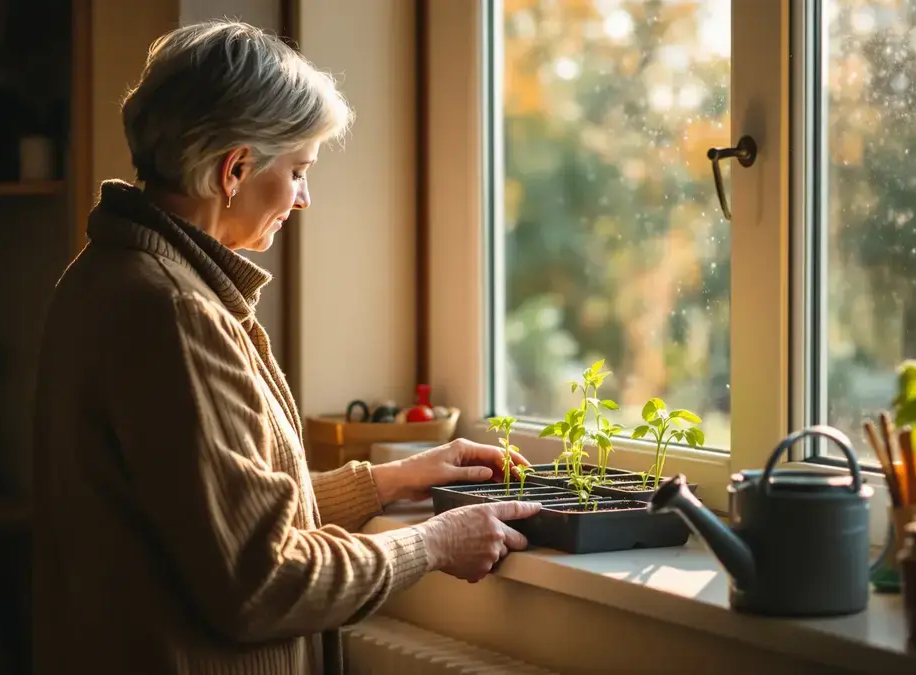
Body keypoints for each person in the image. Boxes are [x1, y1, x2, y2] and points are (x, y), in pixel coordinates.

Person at [31, 20, 541, 675]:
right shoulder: (174, 313)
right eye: (298, 170)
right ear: (235, 169)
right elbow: (260, 581)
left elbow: (206, 515)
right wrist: (435, 542)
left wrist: (392, 481)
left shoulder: (113, 278)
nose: (303, 198)